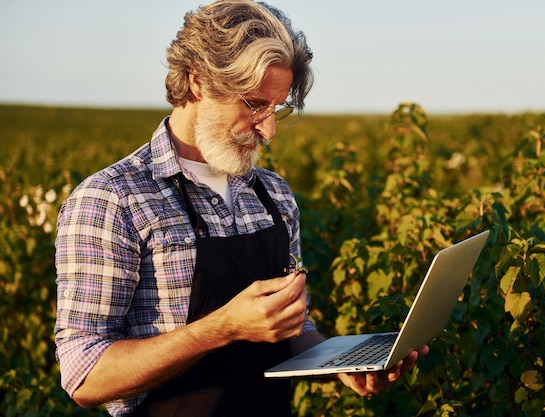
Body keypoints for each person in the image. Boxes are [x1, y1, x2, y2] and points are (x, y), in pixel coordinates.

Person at [54, 1, 429, 416]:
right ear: (198, 82)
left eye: (277, 109)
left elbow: (294, 328)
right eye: (253, 104)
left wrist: (341, 363)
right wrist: (222, 328)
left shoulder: (273, 194)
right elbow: (84, 376)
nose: (268, 129)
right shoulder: (114, 198)